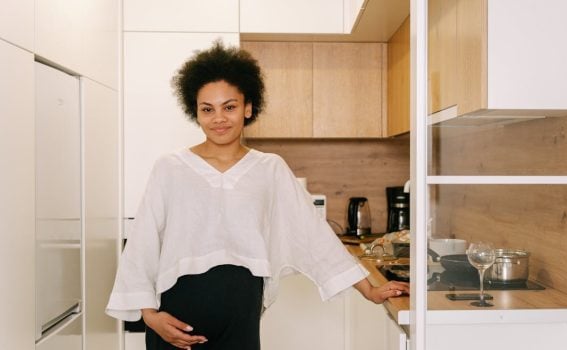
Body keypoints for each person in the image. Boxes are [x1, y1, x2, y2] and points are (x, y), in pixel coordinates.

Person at [105, 41, 409, 350]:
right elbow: (143, 243)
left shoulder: (269, 169)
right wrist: (149, 316)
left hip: (241, 316)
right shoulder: (170, 168)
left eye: (230, 107)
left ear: (248, 107)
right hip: (175, 319)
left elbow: (313, 234)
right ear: (194, 112)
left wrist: (368, 290)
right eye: (207, 109)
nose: (218, 118)